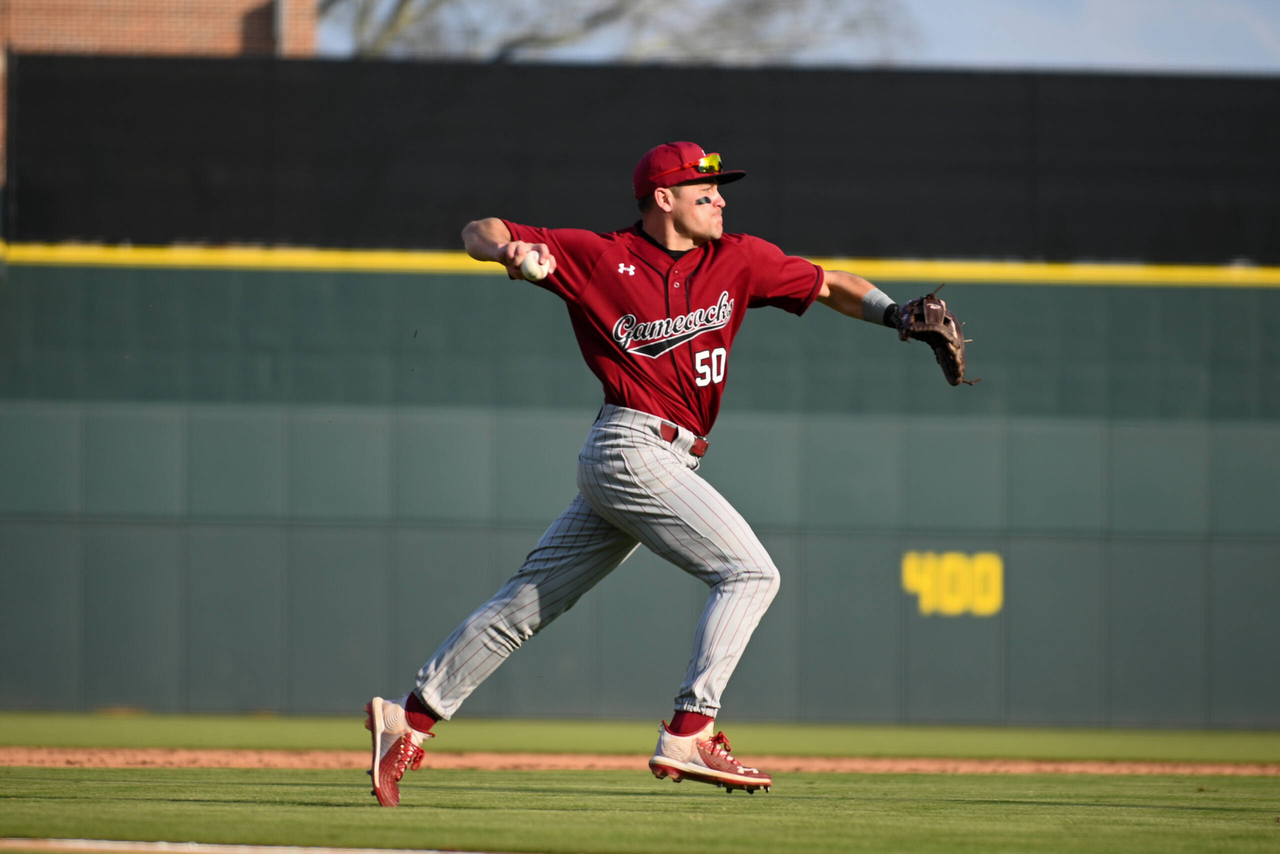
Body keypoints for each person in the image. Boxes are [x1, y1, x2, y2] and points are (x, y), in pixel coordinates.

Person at [364, 141, 907, 806]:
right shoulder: (598, 256)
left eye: (719, 189)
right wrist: (505, 250)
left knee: (530, 601)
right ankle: (690, 728)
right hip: (631, 443)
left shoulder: (737, 258)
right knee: (751, 572)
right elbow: (480, 230)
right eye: (705, 191)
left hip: (654, 457)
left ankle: (406, 718)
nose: (721, 199)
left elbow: (827, 285)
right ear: (663, 198)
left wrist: (898, 315)